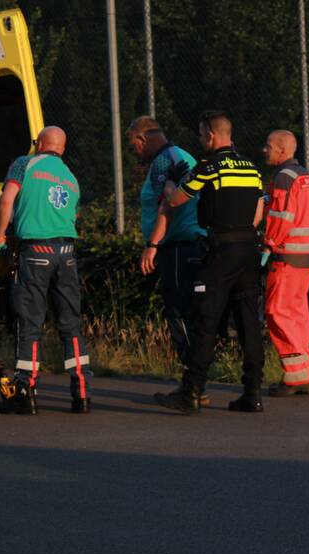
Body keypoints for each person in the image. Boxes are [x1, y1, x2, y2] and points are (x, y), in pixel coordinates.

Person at [155, 111, 265, 415]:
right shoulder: (251, 167)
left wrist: (168, 189)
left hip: (221, 251)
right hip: (249, 249)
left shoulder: (208, 165)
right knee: (248, 322)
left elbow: (178, 200)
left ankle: (191, 392)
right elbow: (258, 212)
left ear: (211, 136)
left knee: (205, 318)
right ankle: (252, 392)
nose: (201, 141)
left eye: (202, 136)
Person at [0, 125, 92, 414]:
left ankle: (25, 391)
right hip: (67, 253)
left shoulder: (24, 164)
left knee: (29, 322)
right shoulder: (71, 178)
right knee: (70, 323)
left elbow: (7, 199)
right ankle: (81, 393)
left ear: (39, 143)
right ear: (62, 148)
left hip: (36, 251)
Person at [126, 116, 210, 405]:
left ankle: (192, 383)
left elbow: (169, 201)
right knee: (188, 311)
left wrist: (152, 245)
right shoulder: (181, 155)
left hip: (177, 246)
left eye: (133, 146)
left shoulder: (165, 160)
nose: (134, 152)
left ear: (142, 139)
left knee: (178, 310)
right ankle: (195, 382)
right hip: (188, 243)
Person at [261, 130, 309, 397]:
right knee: (296, 313)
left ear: (282, 151)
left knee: (277, 311)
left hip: (287, 255)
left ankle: (294, 375)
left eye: (268, 147)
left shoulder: (283, 177)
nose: (265, 150)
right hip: (306, 256)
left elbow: (281, 215)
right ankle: (303, 372)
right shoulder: (303, 175)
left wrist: (268, 243)